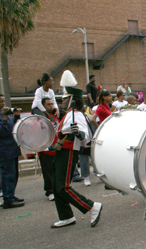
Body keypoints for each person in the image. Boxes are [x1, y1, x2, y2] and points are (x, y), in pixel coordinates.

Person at [50, 70, 102, 228]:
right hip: (61, 151)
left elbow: (85, 135)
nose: (62, 101)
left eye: (65, 98)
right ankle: (66, 216)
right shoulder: (68, 114)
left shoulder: (77, 114)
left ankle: (92, 207)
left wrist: (78, 133)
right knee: (56, 186)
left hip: (69, 152)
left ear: (71, 99)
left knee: (63, 187)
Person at [0, 94, 24, 209]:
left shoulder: (6, 115)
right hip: (4, 150)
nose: (3, 104)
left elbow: (15, 128)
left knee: (14, 175)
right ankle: (8, 199)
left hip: (13, 148)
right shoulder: (3, 116)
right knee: (7, 175)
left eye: (3, 101)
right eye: (0, 102)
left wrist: (16, 117)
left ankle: (11, 195)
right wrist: (4, 119)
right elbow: (2, 132)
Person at [37, 97, 60, 201]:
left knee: (57, 171)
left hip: (58, 149)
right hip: (46, 150)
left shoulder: (57, 116)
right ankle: (50, 191)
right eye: (48, 104)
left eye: (52, 104)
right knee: (48, 172)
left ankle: (58, 189)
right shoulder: (40, 119)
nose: (51, 106)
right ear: (43, 106)